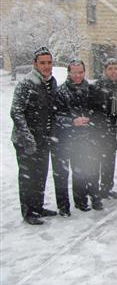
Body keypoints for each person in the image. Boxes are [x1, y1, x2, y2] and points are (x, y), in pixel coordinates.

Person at [11, 47, 58, 225]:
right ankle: (28, 211)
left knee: (41, 174)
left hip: (43, 138)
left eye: (49, 62)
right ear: (35, 64)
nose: (46, 66)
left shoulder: (51, 82)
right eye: (42, 63)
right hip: (25, 140)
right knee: (27, 177)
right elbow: (16, 112)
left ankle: (38, 207)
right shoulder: (26, 84)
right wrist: (27, 137)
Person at [52, 59, 103, 213]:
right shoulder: (61, 92)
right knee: (69, 172)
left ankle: (88, 199)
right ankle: (71, 203)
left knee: (87, 169)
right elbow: (55, 116)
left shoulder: (92, 90)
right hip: (67, 138)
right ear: (69, 73)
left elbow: (100, 110)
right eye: (74, 72)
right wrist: (72, 122)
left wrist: (92, 119)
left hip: (88, 137)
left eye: (80, 72)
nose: (77, 76)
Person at [90, 58, 117, 200]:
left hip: (113, 128)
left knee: (109, 160)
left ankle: (106, 188)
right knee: (97, 160)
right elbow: (91, 108)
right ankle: (94, 190)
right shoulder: (97, 86)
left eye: (116, 68)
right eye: (110, 69)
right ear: (105, 70)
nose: (113, 71)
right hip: (99, 129)